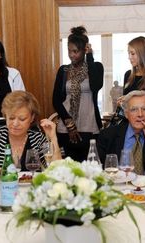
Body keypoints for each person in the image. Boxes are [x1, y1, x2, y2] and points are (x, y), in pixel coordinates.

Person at [0, 91, 61, 178]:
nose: (15, 124)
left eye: (22, 119)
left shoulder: (37, 138)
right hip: (0, 189)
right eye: (11, 118)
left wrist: (53, 138)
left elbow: (56, 170)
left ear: (32, 118)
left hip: (30, 190)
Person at [53, 26, 104, 162]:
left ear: (84, 50)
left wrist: (90, 56)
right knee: (69, 166)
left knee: (90, 166)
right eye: (69, 51)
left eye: (76, 51)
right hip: (66, 127)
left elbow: (96, 85)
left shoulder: (96, 67)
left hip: (89, 124)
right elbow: (56, 100)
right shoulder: (63, 70)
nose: (72, 55)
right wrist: (69, 124)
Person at [97, 90, 145, 177]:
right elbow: (98, 170)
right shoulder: (108, 135)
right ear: (126, 114)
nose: (140, 114)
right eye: (134, 109)